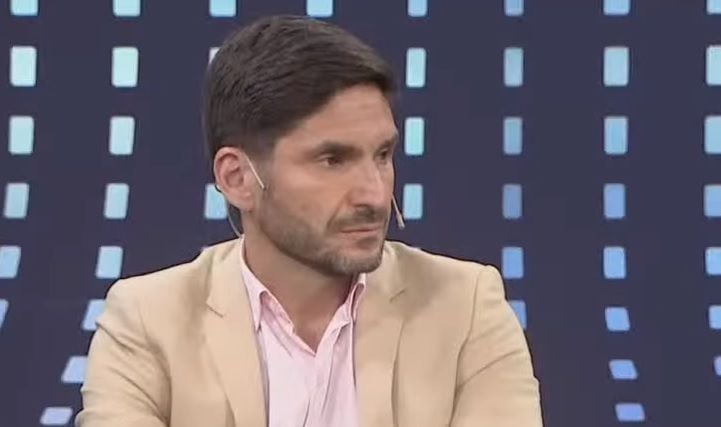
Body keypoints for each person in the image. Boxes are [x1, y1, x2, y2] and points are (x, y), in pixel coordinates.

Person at [75, 14, 543, 427]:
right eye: (332, 160)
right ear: (238, 178)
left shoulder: (465, 308)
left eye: (382, 155)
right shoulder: (148, 321)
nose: (375, 194)